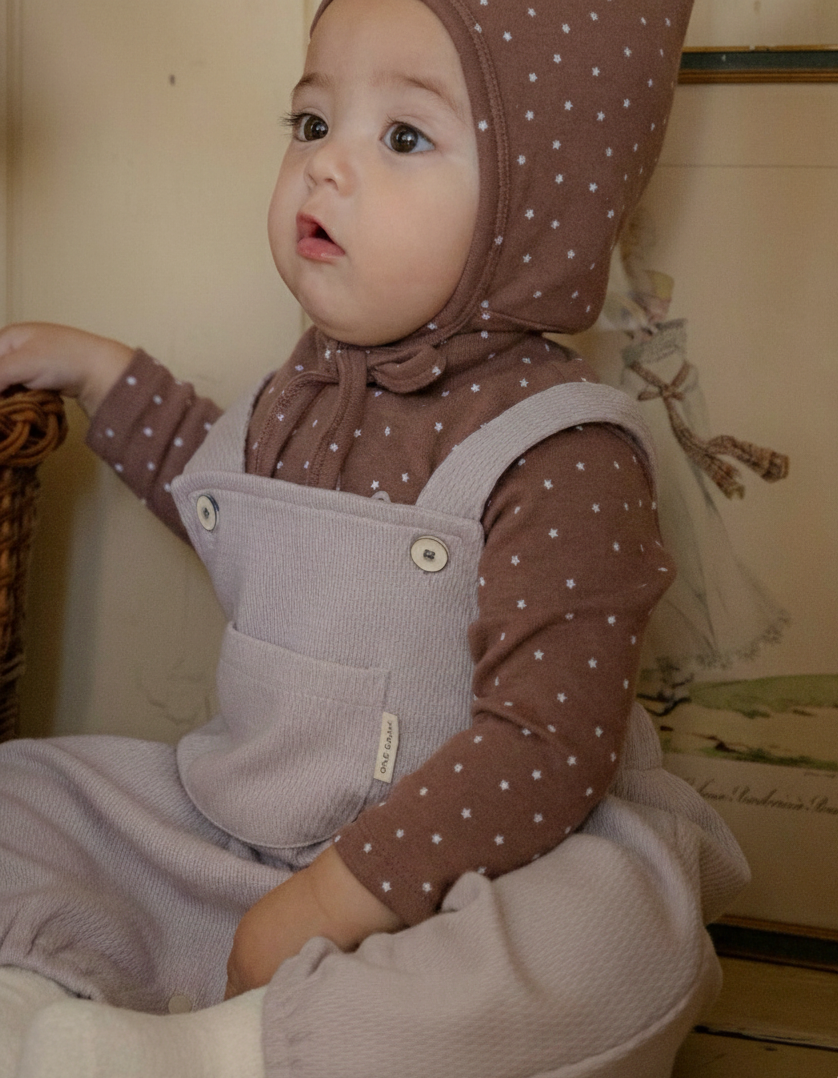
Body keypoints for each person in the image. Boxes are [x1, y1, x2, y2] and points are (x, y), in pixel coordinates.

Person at [0, 0, 749, 1075]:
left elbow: (551, 745)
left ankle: (227, 1054)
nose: (325, 168)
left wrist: (333, 898)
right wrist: (99, 368)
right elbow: (214, 492)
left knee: (613, 937)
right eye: (311, 123)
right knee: (26, 793)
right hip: (236, 830)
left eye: (401, 137)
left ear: (537, 208)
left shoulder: (563, 449)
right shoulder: (297, 398)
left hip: (468, 879)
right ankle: (32, 998)